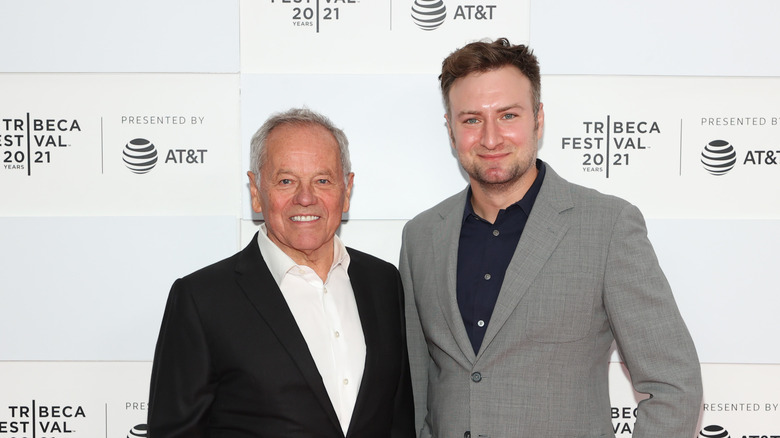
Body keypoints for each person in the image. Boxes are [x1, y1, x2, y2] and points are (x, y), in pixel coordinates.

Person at [400, 38, 703, 438]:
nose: (490, 138)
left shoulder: (607, 226)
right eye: (471, 120)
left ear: (538, 120)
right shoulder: (421, 236)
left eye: (508, 115)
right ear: (451, 131)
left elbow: (675, 385)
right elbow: (415, 393)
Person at [148, 108, 415, 437]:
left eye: (322, 180)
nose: (305, 198)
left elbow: (399, 422)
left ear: (346, 190)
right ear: (256, 191)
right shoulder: (202, 300)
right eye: (286, 181)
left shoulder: (383, 283)